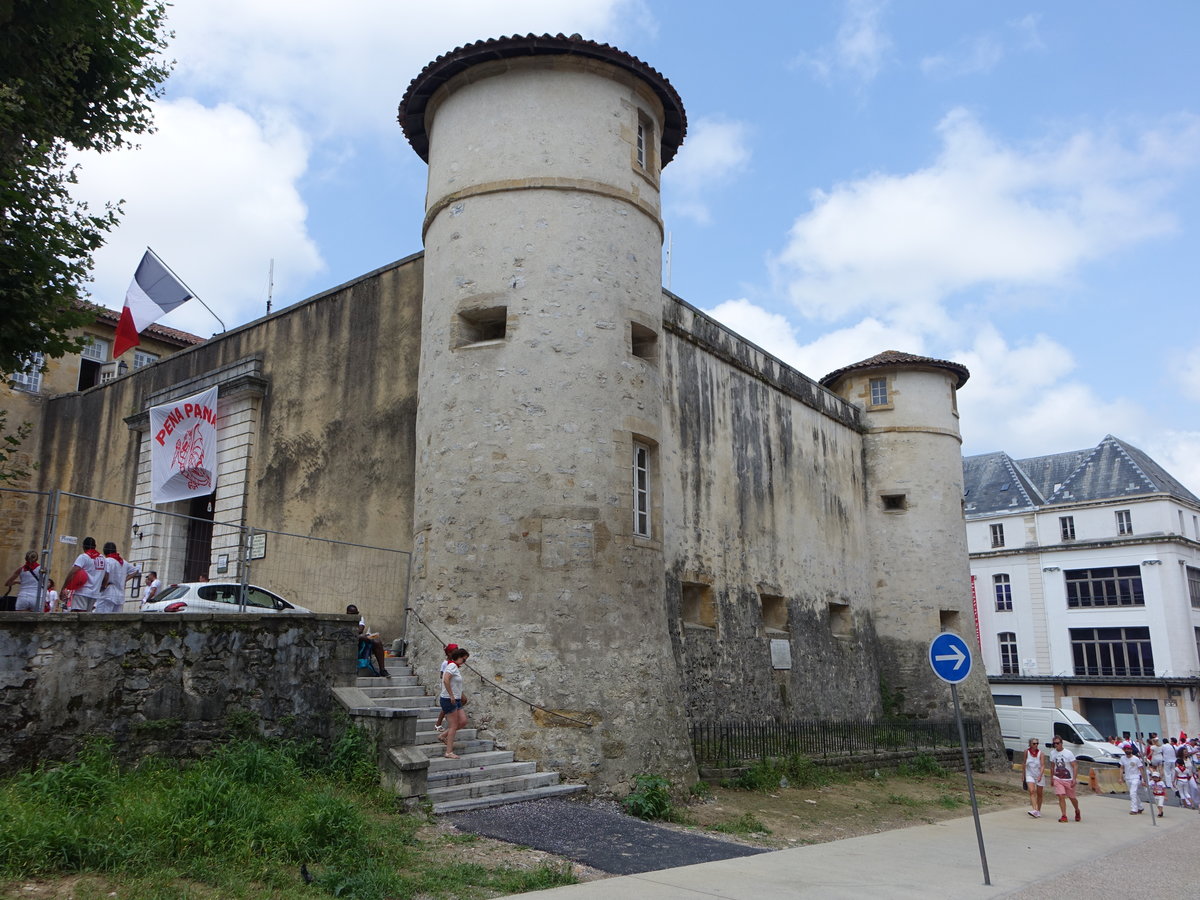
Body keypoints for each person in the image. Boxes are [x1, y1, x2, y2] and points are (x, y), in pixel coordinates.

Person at [438, 647, 470, 760]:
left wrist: (459, 695)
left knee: (463, 721)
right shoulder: (452, 666)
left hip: (456, 699)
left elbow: (454, 683)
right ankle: (449, 752)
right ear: (458, 657)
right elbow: (445, 679)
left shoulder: (454, 666)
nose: (464, 662)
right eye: (464, 659)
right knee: (454, 725)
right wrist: (451, 695)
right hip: (448, 699)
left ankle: (443, 735)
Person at [345, 604, 390, 677]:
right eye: (351, 614)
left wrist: (356, 635)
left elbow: (360, 630)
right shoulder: (344, 620)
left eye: (355, 614)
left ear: (357, 613)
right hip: (348, 640)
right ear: (347, 613)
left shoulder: (360, 618)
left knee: (377, 642)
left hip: (359, 639)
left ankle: (382, 670)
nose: (353, 616)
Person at [62, 537, 106, 611]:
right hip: (94, 593)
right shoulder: (103, 558)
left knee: (77, 616)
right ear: (95, 546)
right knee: (87, 617)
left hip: (82, 592)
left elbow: (73, 571)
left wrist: (64, 587)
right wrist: (102, 587)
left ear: (83, 546)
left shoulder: (83, 557)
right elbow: (106, 575)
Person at [95, 542, 140, 614]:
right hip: (120, 594)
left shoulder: (108, 561)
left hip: (108, 593)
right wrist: (124, 580)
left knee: (102, 616)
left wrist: (103, 585)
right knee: (116, 618)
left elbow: (106, 573)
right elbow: (135, 570)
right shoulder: (123, 562)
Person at [1048, 736, 1082, 822]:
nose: (1056, 745)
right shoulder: (1052, 753)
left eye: (1058, 743)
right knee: (1061, 796)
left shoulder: (1068, 753)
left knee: (1072, 797)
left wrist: (1074, 778)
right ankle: (1064, 815)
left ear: (1061, 743)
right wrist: (1052, 778)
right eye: (1054, 743)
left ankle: (1077, 810)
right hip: (1057, 778)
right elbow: (1052, 767)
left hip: (1068, 779)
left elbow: (1075, 766)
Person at [434, 643, 460, 734]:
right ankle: (438, 723)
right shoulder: (445, 663)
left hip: (454, 687)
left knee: (461, 701)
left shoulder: (454, 662)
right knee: (446, 707)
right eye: (455, 651)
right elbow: (442, 675)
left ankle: (444, 720)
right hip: (448, 687)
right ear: (449, 653)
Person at [1117, 743, 1145, 814]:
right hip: (1127, 778)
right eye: (1126, 749)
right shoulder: (1122, 758)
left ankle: (1134, 809)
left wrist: (1143, 780)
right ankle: (1140, 807)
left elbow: (1141, 769)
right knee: (1133, 793)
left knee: (1132, 793)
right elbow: (1121, 768)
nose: (1127, 750)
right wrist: (1120, 778)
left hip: (1135, 778)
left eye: (1129, 749)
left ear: (1131, 750)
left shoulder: (1136, 759)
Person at [1022, 737, 1045, 818]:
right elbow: (1024, 764)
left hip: (1039, 774)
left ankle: (1038, 810)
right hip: (1029, 774)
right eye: (1034, 743)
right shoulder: (1026, 752)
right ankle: (1034, 809)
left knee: (1039, 794)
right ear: (1030, 744)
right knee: (1032, 791)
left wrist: (1040, 775)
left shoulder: (1041, 753)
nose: (1036, 745)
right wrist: (1023, 775)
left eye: (1037, 743)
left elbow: (1042, 765)